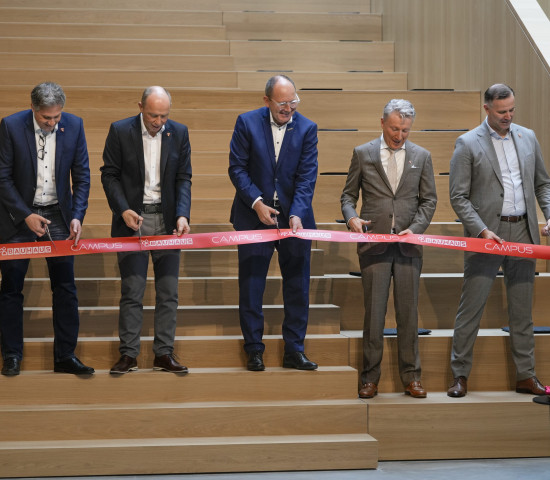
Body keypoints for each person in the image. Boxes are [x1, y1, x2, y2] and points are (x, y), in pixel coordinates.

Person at [448, 83, 550, 397]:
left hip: (523, 232)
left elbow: (543, 185)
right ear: (487, 109)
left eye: (511, 110)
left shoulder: (528, 137)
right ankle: (460, 376)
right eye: (502, 111)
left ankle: (525, 376)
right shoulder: (467, 143)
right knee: (471, 308)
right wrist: (480, 230)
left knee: (522, 311)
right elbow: (458, 196)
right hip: (486, 236)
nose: (508, 116)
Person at [341, 99, 437, 398]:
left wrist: (416, 229)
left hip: (409, 246)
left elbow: (429, 200)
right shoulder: (363, 153)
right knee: (374, 315)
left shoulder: (422, 156)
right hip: (374, 247)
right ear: (382, 123)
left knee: (408, 314)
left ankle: (412, 377)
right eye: (395, 128)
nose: (399, 135)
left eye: (405, 130)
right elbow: (347, 196)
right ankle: (370, 378)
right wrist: (352, 218)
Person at [0, 82, 94, 376]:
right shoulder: (11, 126)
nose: (52, 123)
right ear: (33, 109)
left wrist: (77, 215)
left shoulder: (74, 125)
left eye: (56, 117)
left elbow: (82, 176)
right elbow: (2, 177)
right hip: (19, 216)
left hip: (58, 214)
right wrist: (25, 214)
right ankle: (12, 354)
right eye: (46, 118)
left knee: (66, 287)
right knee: (12, 288)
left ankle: (65, 355)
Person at [228, 75, 319, 371]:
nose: (289, 108)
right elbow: (237, 168)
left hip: (294, 219)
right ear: (266, 100)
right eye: (283, 102)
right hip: (255, 217)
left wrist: (297, 212)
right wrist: (256, 203)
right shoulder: (246, 122)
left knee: (297, 286)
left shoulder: (307, 128)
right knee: (252, 286)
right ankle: (254, 349)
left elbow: (307, 177)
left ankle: (294, 349)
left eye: (293, 101)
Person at [101, 86, 192, 374]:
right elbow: (110, 175)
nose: (158, 121)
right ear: (140, 106)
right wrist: (123, 209)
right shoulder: (120, 130)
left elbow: (183, 178)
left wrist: (182, 214)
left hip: (167, 222)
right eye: (153, 115)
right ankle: (128, 354)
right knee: (132, 291)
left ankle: (163, 353)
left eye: (164, 116)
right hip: (133, 222)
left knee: (168, 292)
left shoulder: (178, 132)